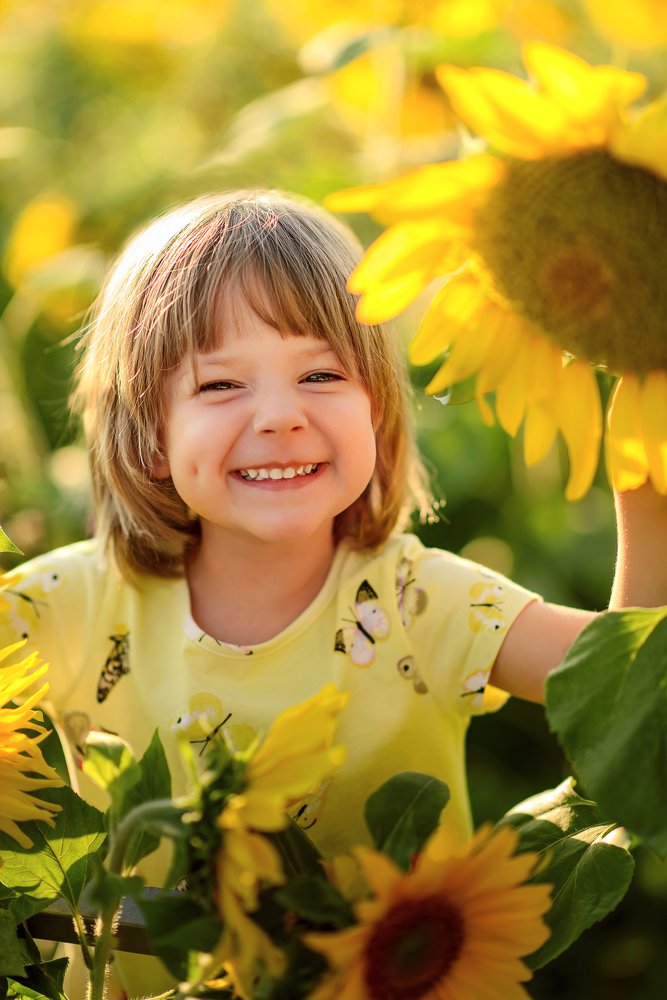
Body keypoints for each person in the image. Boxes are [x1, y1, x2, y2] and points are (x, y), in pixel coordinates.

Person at [0, 190, 665, 991]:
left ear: (378, 412)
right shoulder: (66, 606)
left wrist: (643, 474)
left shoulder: (420, 601)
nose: (280, 416)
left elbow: (627, 691)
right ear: (148, 435)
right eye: (219, 386)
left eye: (319, 373)